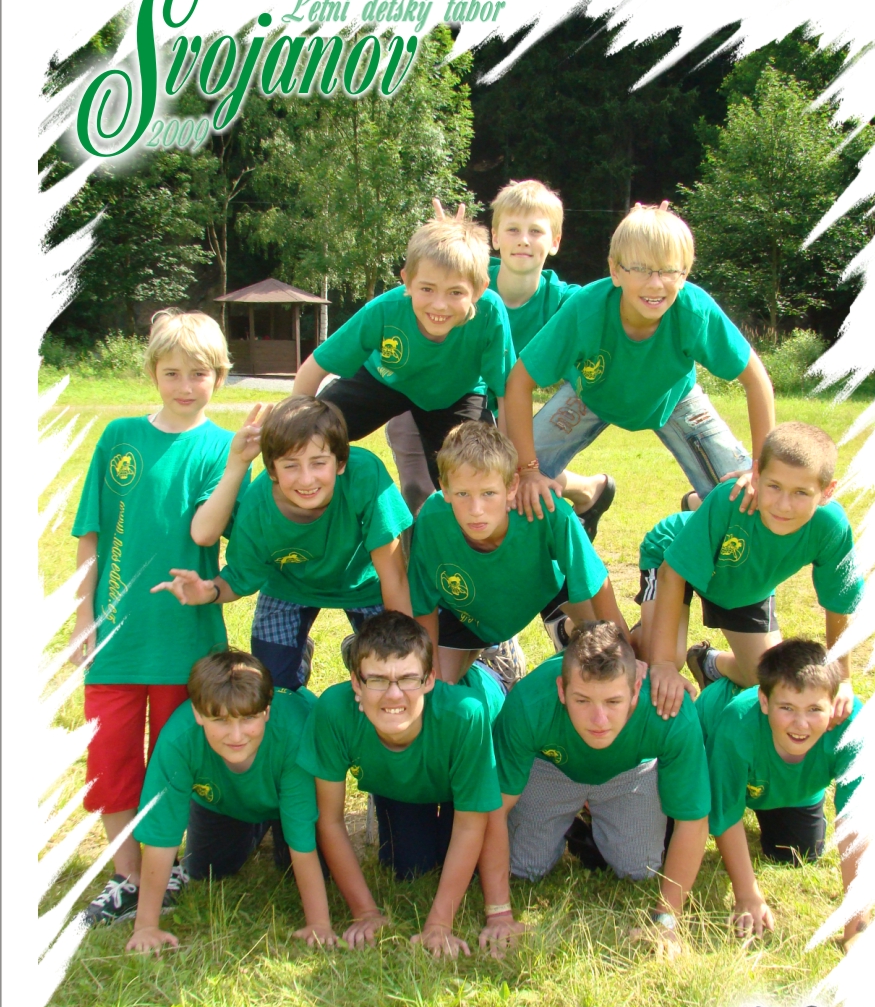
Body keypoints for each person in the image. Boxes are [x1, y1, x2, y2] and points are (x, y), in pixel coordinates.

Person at [70, 309, 251, 926]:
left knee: (173, 759)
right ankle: (129, 875)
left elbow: (205, 530)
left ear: (219, 377)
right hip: (117, 643)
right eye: (171, 373)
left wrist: (236, 465)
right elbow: (91, 535)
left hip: (185, 642)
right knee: (110, 764)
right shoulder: (118, 437)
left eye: (198, 373)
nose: (184, 385)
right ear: (152, 373)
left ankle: (165, 866)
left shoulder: (221, 448)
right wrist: (82, 617)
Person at [503, 202, 774, 524]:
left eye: (669, 270)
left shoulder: (694, 310)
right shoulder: (586, 309)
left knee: (753, 497)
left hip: (674, 397)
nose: (655, 283)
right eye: (641, 269)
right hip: (589, 394)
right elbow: (519, 381)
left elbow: (756, 379)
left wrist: (760, 467)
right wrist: (528, 470)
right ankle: (587, 498)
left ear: (684, 274)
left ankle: (698, 504)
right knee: (508, 484)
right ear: (615, 271)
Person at [386, 184, 614, 537]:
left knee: (507, 479)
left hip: (504, 412)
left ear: (555, 241)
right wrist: (442, 241)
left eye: (535, 231)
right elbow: (421, 287)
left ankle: (580, 498)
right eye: (513, 229)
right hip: (432, 392)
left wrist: (642, 248)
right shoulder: (467, 277)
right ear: (494, 237)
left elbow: (614, 301)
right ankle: (587, 489)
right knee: (422, 490)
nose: (523, 240)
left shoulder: (564, 300)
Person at [151, 396, 412, 690]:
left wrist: (401, 649)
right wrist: (209, 591)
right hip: (288, 585)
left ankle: (360, 647)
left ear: (340, 463)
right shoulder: (257, 507)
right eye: (290, 465)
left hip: (363, 584)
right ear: (272, 470)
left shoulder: (365, 474)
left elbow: (394, 576)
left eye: (318, 463)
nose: (306, 479)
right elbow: (239, 578)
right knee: (274, 688)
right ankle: (300, 656)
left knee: (389, 669)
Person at [487, 622, 711, 956]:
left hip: (628, 768)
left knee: (639, 868)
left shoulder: (670, 709)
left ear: (636, 689)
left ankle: (595, 820)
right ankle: (569, 817)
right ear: (561, 689)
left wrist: (666, 920)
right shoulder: (530, 702)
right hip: (552, 766)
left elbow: (693, 819)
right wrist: (499, 913)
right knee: (524, 868)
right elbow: (494, 810)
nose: (599, 719)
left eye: (613, 701)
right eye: (582, 700)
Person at [298, 612, 505, 957]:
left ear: (429, 679)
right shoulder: (334, 711)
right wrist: (365, 912)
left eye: (408, 678)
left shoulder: (466, 715)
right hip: (409, 779)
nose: (394, 695)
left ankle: (493, 664)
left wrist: (439, 925)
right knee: (411, 868)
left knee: (466, 869)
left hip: (468, 751)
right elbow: (329, 820)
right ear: (356, 682)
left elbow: (472, 823)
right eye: (377, 680)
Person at [647, 422, 863, 722]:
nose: (784, 505)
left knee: (772, 683)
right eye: (774, 486)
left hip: (743, 586)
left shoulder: (831, 526)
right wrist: (662, 664)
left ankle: (709, 663)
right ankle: (643, 636)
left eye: (801, 492)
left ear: (827, 492)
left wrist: (843, 678)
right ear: (757, 474)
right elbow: (672, 573)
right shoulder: (732, 499)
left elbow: (839, 601)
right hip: (675, 558)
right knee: (660, 660)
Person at [125, 650, 333, 951]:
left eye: (248, 718)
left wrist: (319, 924)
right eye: (220, 720)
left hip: (287, 792)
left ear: (267, 711)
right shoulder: (178, 739)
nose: (236, 735)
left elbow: (302, 839)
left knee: (301, 862)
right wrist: (146, 926)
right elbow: (161, 836)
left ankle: (297, 665)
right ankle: (253, 825)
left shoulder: (293, 733)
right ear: (198, 713)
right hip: (224, 799)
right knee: (206, 869)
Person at [291, 217, 515, 492]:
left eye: (456, 292)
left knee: (474, 470)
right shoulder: (386, 309)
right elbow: (314, 368)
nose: (439, 305)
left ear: (479, 289)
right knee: (315, 431)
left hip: (456, 394)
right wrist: (293, 435)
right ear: (407, 281)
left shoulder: (490, 312)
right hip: (384, 380)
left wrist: (512, 465)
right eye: (427, 289)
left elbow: (507, 391)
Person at [410, 421, 629, 682]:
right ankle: (494, 664)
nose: (476, 509)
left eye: (489, 493)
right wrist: (428, 675)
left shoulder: (547, 510)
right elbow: (423, 602)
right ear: (444, 489)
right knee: (435, 687)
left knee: (604, 651)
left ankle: (567, 628)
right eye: (462, 494)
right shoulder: (431, 520)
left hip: (543, 584)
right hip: (469, 613)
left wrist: (627, 657)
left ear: (512, 486)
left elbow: (596, 583)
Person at [697, 638, 869, 949]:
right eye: (787, 707)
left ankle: (778, 791)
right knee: (675, 833)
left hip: (775, 778)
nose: (800, 724)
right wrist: (747, 893)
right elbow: (725, 810)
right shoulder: (737, 724)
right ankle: (715, 672)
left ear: (834, 704)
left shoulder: (853, 727)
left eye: (815, 709)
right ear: (764, 702)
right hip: (719, 742)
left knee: (798, 852)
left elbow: (856, 822)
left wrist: (856, 928)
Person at [629, 509, 694, 667]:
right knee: (662, 657)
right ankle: (637, 638)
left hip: (704, 562)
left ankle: (708, 662)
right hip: (668, 547)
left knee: (672, 659)